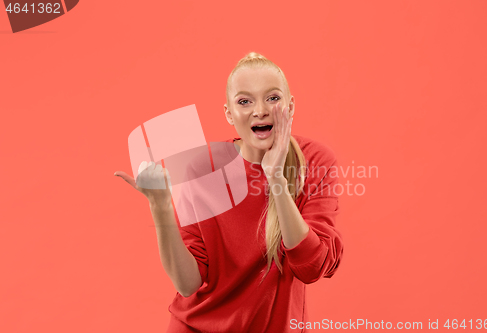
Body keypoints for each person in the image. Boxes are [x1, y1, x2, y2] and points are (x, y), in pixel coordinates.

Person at [114, 52, 344, 333]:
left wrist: (275, 178)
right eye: (244, 101)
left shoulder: (315, 161)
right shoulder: (203, 167)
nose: (260, 110)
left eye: (272, 98)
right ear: (228, 114)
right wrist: (160, 206)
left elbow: (312, 267)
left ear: (290, 106)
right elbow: (188, 284)